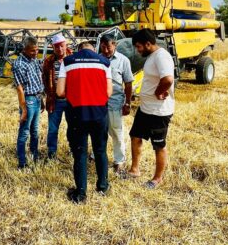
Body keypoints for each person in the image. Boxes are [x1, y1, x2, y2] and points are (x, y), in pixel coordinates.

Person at [57, 41, 113, 203]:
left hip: (77, 114)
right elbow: (108, 92)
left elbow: (60, 92)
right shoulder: (104, 62)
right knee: (100, 151)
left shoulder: (67, 62)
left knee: (80, 153)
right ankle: (103, 186)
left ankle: (81, 193)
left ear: (78, 50)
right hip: (99, 114)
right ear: (93, 50)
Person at [127, 29, 175, 188]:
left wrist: (158, 91)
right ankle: (134, 170)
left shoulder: (162, 56)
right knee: (135, 136)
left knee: (158, 145)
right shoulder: (152, 57)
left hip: (158, 111)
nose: (137, 50)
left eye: (139, 46)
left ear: (148, 44)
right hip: (145, 108)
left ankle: (157, 179)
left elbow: (168, 79)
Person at [99, 34, 134, 173]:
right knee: (99, 132)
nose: (106, 50)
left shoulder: (123, 60)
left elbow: (128, 82)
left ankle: (119, 161)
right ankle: (97, 156)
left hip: (115, 102)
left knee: (116, 132)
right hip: (99, 103)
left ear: (114, 45)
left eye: (108, 47)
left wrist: (128, 102)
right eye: (103, 47)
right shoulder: (97, 59)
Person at [12, 36, 44, 169]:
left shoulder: (34, 60)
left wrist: (41, 99)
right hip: (29, 100)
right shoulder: (19, 64)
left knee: (35, 131)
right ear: (24, 50)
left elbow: (38, 80)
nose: (36, 53)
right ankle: (22, 162)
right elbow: (20, 89)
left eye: (37, 50)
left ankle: (34, 156)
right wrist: (24, 109)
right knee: (24, 132)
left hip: (37, 98)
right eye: (32, 51)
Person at [42, 34, 72, 160]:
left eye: (61, 46)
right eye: (56, 47)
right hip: (55, 101)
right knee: (53, 128)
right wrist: (46, 95)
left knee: (73, 127)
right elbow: (44, 79)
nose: (59, 49)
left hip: (71, 100)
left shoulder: (73, 58)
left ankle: (73, 149)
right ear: (53, 48)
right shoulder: (49, 61)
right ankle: (52, 152)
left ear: (66, 45)